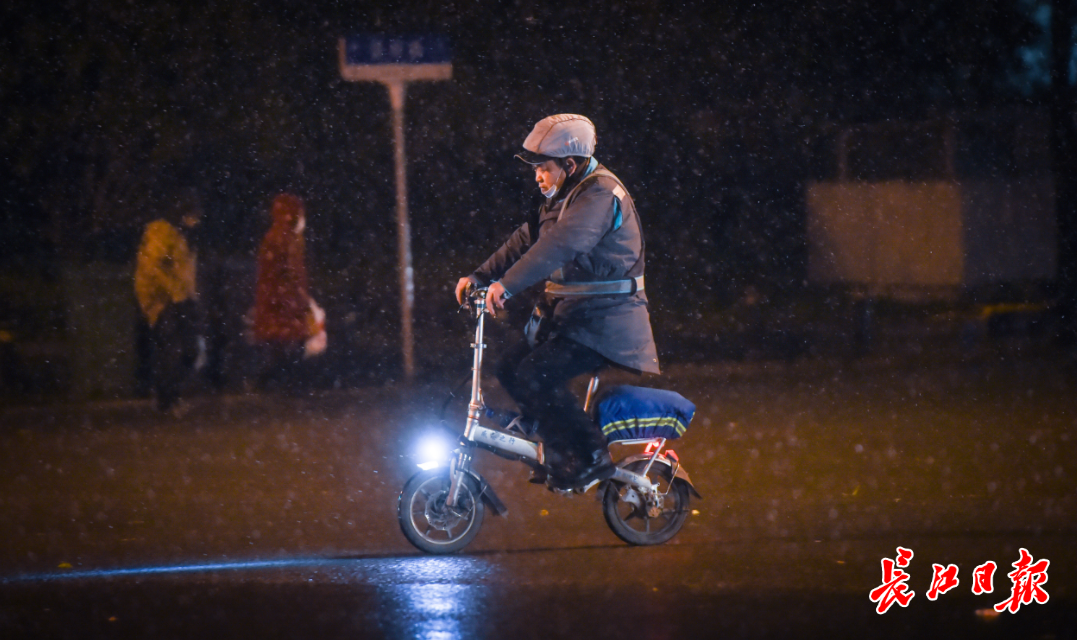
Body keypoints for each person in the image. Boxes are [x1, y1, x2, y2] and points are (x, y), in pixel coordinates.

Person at [455, 114, 660, 489]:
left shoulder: (598, 195)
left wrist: (507, 286)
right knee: (509, 368)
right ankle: (554, 440)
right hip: (573, 319)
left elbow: (559, 246)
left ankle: (593, 455)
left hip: (607, 323)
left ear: (570, 163)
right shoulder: (565, 195)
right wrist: (480, 277)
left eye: (544, 168)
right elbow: (527, 239)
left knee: (536, 376)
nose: (538, 177)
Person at [134, 201, 204, 413]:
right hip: (163, 300)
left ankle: (169, 395)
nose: (196, 220)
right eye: (192, 215)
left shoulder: (180, 235)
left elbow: (183, 270)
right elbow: (154, 266)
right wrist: (174, 293)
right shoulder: (162, 232)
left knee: (188, 349)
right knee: (173, 348)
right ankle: (167, 398)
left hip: (178, 298)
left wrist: (189, 296)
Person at [250, 192, 322, 394]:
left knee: (283, 345)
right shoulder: (286, 239)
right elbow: (289, 274)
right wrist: (298, 299)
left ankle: (276, 384)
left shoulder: (280, 237)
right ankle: (279, 384)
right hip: (284, 303)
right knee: (289, 345)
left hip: (279, 301)